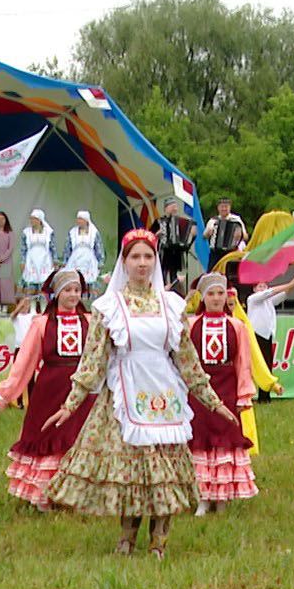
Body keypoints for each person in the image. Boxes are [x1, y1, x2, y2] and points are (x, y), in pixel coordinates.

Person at [42, 229, 236, 557]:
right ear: (124, 262)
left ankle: (159, 541)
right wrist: (71, 403)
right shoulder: (109, 306)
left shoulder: (171, 306)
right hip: (124, 394)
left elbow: (186, 358)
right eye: (135, 257)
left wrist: (212, 401)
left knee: (165, 472)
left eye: (148, 256)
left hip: (164, 394)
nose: (142, 263)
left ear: (155, 262)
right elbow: (94, 359)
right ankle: (126, 538)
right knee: (131, 471)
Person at [0, 269, 96, 509]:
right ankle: (43, 494)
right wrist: (5, 394)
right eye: (68, 289)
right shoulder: (42, 324)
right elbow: (25, 361)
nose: (73, 295)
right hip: (50, 388)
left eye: (77, 290)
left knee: (77, 436)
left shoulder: (89, 321)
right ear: (56, 293)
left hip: (80, 389)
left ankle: (76, 495)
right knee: (47, 435)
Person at [186, 273, 259, 515]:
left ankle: (223, 496)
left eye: (220, 293)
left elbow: (243, 362)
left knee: (225, 438)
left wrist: (243, 394)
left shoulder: (237, 326)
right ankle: (203, 497)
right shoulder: (191, 324)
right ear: (203, 297)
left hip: (226, 386)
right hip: (199, 391)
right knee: (200, 438)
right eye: (211, 294)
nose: (216, 298)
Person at [244, 266, 294, 400]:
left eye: (264, 286)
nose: (262, 288)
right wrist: (290, 283)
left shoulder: (269, 301)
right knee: (254, 365)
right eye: (259, 286)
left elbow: (284, 294)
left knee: (267, 365)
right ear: (254, 289)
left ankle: (264, 396)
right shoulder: (252, 299)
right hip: (256, 334)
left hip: (267, 334)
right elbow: (270, 292)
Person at [157, 199, 196, 287]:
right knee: (163, 273)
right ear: (166, 209)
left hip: (177, 252)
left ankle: (175, 291)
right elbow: (150, 235)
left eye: (175, 207)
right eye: (172, 207)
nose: (175, 209)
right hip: (164, 251)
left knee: (175, 274)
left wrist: (191, 238)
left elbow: (192, 233)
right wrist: (158, 234)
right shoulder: (159, 221)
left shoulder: (182, 221)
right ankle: (162, 289)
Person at [64, 210, 105, 292]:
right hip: (75, 260)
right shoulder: (72, 232)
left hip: (89, 260)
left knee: (89, 282)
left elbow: (98, 247)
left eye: (81, 219)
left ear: (86, 220)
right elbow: (67, 247)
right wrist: (65, 261)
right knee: (75, 282)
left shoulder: (94, 232)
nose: (78, 221)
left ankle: (89, 301)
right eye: (78, 219)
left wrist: (100, 261)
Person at [19, 209, 57, 293]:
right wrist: (22, 262)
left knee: (44, 287)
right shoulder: (26, 232)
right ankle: (32, 305)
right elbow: (23, 249)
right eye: (31, 218)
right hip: (31, 261)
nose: (32, 221)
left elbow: (53, 248)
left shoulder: (49, 232)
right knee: (31, 287)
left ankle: (44, 305)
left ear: (39, 220)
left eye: (34, 219)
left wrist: (55, 261)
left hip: (45, 261)